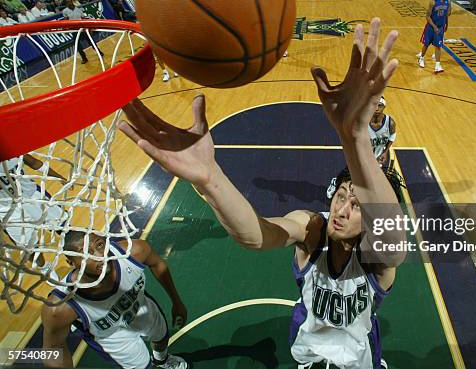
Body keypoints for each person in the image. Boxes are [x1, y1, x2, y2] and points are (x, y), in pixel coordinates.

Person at [118, 18, 406, 369]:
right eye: (341, 196)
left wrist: (355, 137)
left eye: (357, 205)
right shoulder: (313, 230)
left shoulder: (376, 258)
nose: (342, 209)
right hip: (309, 347)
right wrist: (209, 179)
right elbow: (255, 236)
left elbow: (391, 235)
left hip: (359, 355)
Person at [41, 232, 188, 369]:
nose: (100, 256)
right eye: (86, 254)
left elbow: (157, 264)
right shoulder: (61, 307)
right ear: (72, 263)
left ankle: (162, 360)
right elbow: (53, 349)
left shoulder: (134, 251)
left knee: (161, 336)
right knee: (142, 366)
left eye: (99, 245)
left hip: (140, 308)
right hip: (111, 336)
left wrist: (177, 301)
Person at [1, 154, 66, 279]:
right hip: (7, 209)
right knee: (28, 245)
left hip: (31, 194)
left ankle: (80, 251)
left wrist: (57, 176)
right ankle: (43, 267)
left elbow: (34, 162)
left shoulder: (9, 147)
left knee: (62, 225)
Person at [417, 0, 450, 74]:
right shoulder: (433, 2)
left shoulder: (448, 1)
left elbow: (446, 14)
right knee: (426, 44)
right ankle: (421, 58)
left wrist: (447, 24)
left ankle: (437, 65)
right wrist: (434, 26)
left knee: (438, 46)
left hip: (440, 27)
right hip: (431, 27)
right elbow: (427, 16)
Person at [62, 0, 104, 64]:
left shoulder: (78, 9)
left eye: (70, 1)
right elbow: (66, 21)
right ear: (66, 4)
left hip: (82, 29)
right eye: (67, 2)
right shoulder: (65, 11)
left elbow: (83, 18)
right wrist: (66, 30)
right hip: (74, 30)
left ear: (72, 1)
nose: (69, 3)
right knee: (78, 46)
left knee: (91, 41)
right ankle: (84, 58)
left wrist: (88, 27)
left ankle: (99, 52)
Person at [369, 96, 396, 167]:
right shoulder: (363, 122)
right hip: (363, 157)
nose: (377, 109)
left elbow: (393, 135)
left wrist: (385, 151)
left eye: (380, 106)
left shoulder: (390, 123)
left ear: (384, 107)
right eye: (374, 105)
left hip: (378, 158)